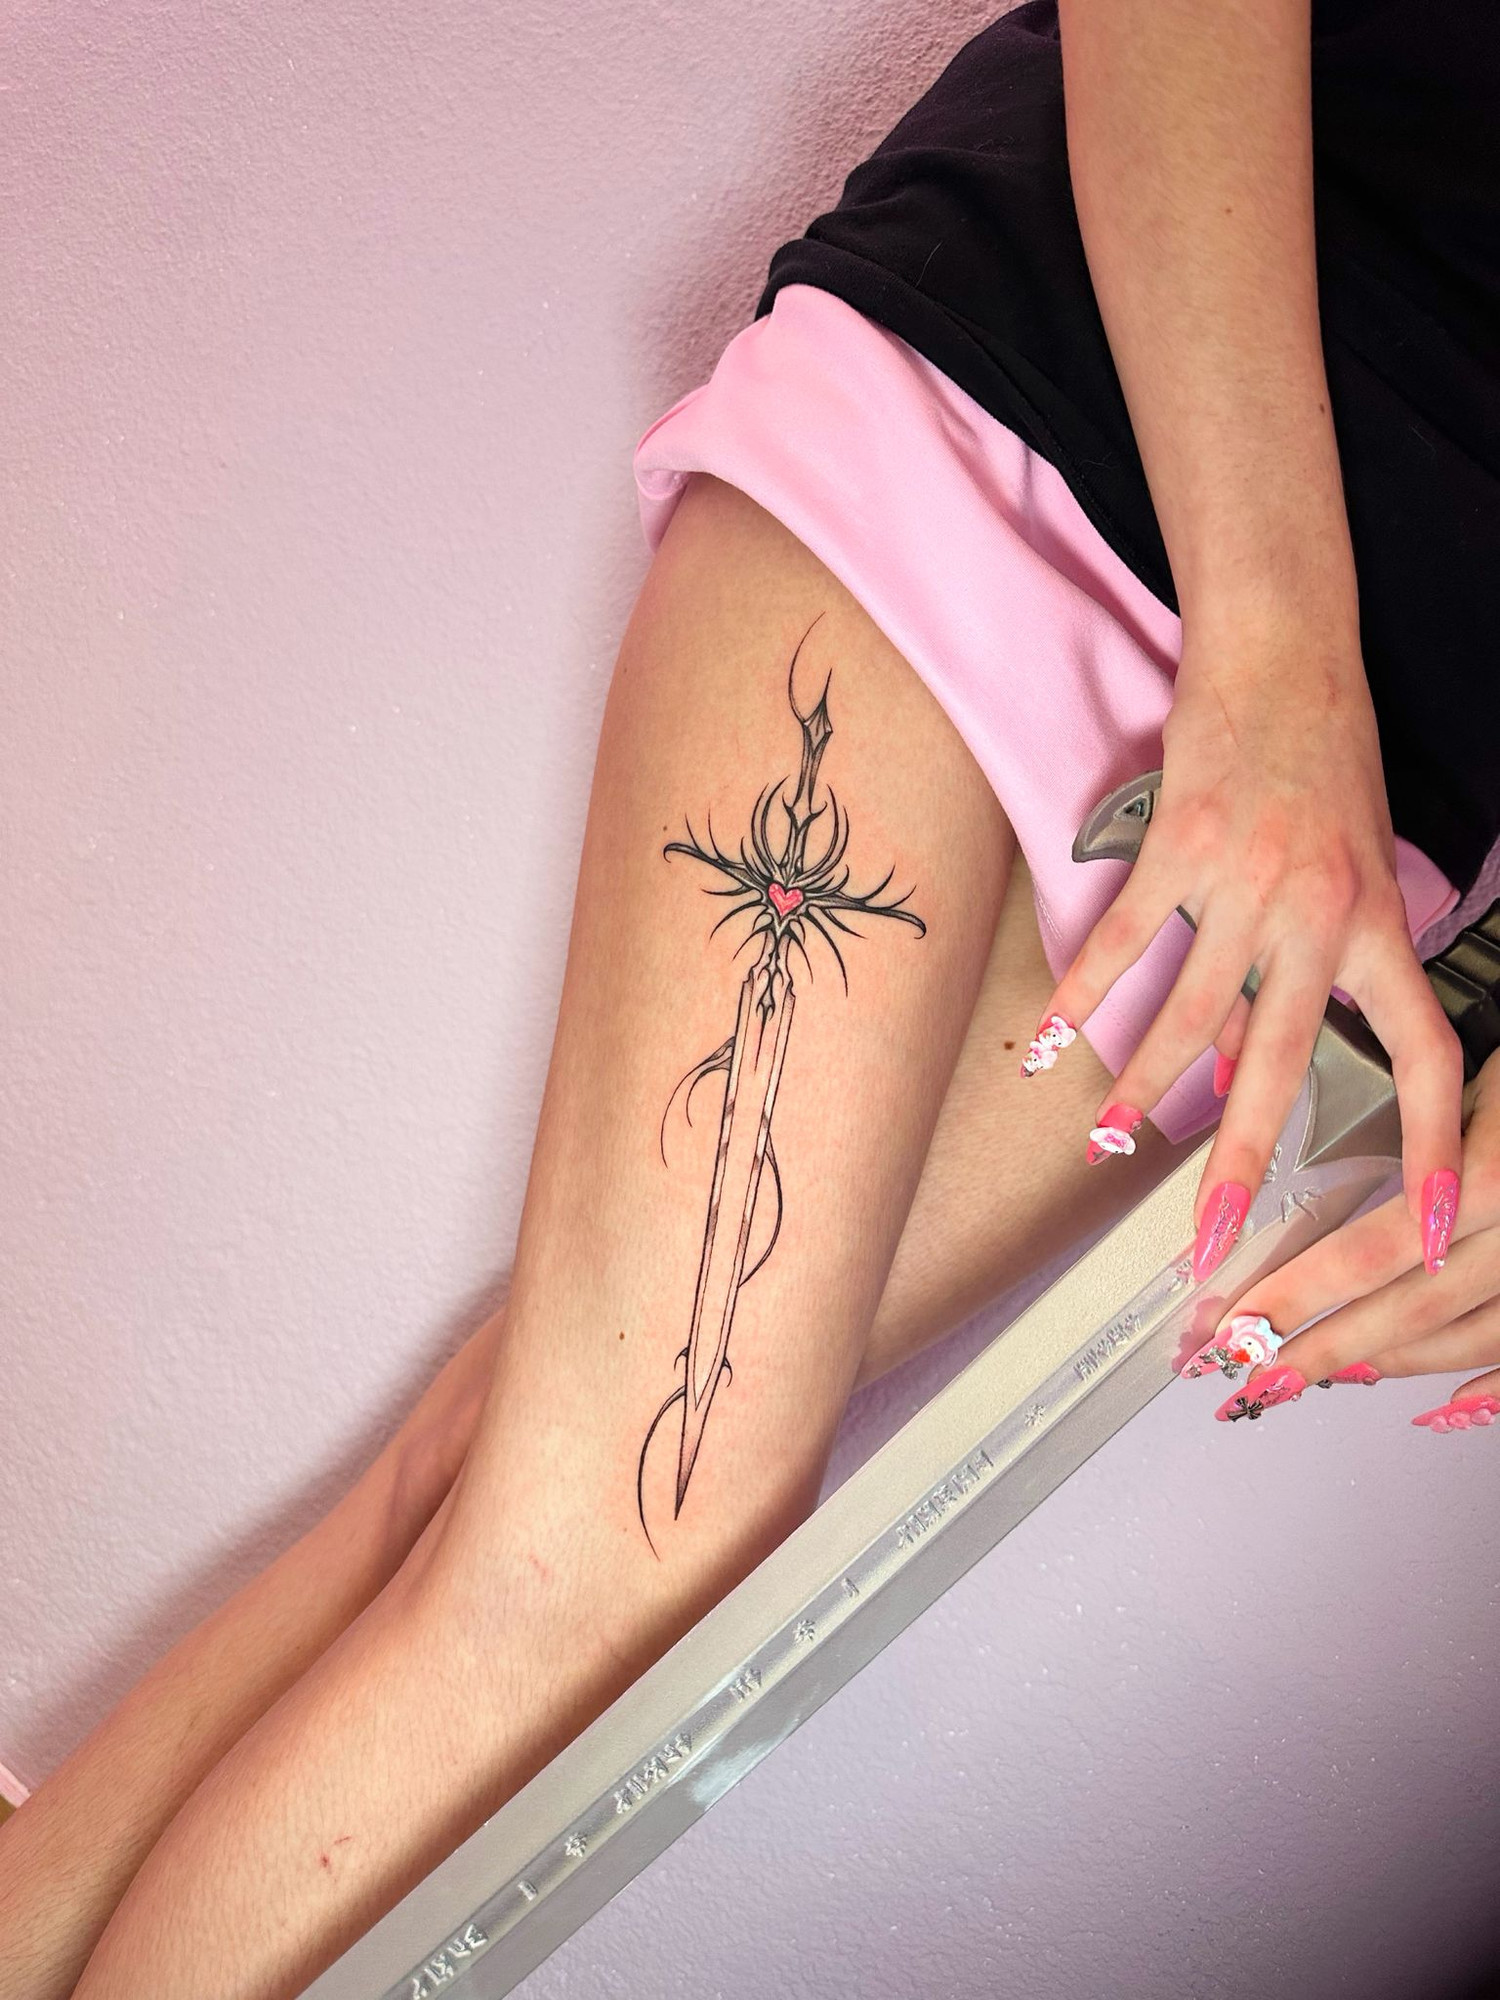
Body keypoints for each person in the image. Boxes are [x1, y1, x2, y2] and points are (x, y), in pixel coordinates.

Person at [2, 1, 1497, 1994]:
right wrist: (1281, 650)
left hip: (1375, 799)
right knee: (629, 1543)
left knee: (511, 1472)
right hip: (1059, 427)